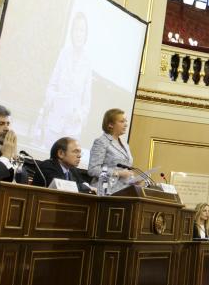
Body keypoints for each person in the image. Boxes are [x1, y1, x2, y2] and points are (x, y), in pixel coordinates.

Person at [36, 11, 92, 149]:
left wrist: (78, 116)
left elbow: (86, 101)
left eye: (82, 30)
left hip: (72, 129)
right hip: (54, 124)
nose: (79, 33)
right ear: (71, 32)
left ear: (85, 34)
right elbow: (51, 86)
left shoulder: (88, 61)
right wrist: (55, 101)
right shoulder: (63, 53)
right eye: (76, 29)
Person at [86, 108, 136, 185]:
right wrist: (118, 173)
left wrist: (133, 180)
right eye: (122, 121)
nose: (126, 124)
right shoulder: (101, 142)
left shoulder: (125, 144)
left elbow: (125, 170)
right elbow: (93, 170)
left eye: (126, 121)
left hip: (122, 190)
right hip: (104, 189)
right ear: (110, 124)